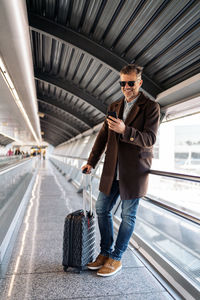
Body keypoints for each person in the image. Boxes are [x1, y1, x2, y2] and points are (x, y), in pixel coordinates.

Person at [82, 64, 160, 277]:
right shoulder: (114, 105)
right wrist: (92, 161)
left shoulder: (151, 107)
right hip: (111, 170)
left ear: (140, 83)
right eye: (123, 83)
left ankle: (116, 257)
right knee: (101, 209)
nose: (126, 87)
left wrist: (126, 131)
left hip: (134, 172)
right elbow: (102, 138)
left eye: (131, 83)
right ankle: (105, 252)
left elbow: (150, 139)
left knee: (128, 216)